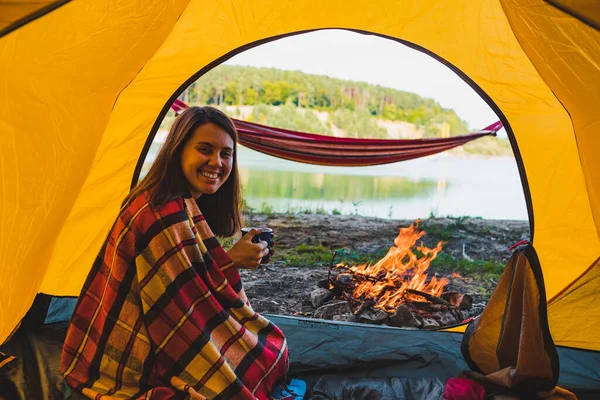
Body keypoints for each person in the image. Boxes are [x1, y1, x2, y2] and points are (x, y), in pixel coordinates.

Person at [61, 106, 289, 399]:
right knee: (258, 359)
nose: (216, 162)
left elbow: (185, 283)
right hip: (132, 347)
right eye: (204, 149)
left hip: (160, 327)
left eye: (226, 153)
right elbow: (178, 300)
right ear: (178, 150)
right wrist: (231, 262)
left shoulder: (183, 202)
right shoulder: (159, 210)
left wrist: (230, 261)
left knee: (267, 350)